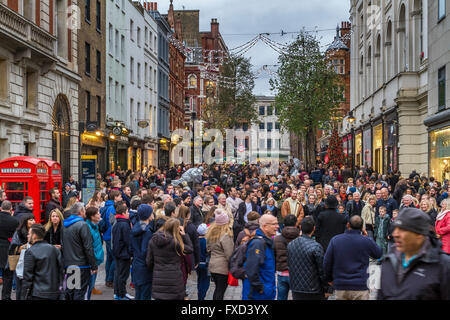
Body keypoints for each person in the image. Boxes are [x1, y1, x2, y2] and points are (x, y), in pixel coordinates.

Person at [377, 208, 450, 300]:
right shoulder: (388, 262)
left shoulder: (443, 265)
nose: (395, 234)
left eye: (402, 229)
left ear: (419, 234)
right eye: (395, 228)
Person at [323, 216, 382, 300]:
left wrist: (329, 279)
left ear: (348, 225)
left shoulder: (335, 240)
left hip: (341, 285)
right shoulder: (365, 241)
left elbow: (327, 262)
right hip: (360, 285)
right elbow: (378, 253)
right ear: (362, 228)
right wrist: (368, 238)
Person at [146, 218, 193, 300]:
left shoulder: (153, 240)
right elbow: (189, 249)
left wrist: (155, 270)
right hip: (174, 278)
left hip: (159, 277)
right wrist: (184, 235)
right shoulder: (174, 243)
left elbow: (149, 261)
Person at [62, 202, 97, 300]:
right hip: (81, 265)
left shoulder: (64, 225)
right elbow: (88, 247)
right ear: (81, 212)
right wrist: (93, 265)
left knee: (71, 291)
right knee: (80, 292)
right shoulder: (83, 225)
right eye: (84, 210)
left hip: (69, 264)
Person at [287, 216, 326, 300]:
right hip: (313, 288)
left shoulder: (291, 244)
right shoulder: (316, 246)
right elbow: (322, 270)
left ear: (300, 227)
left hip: (296, 287)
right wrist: (326, 287)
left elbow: (289, 265)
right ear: (314, 228)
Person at [21, 224, 64, 300]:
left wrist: (23, 296)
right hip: (54, 292)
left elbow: (28, 277)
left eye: (29, 234)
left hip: (38, 294)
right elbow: (61, 271)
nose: (27, 236)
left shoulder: (30, 252)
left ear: (34, 236)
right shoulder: (54, 249)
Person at [242, 214, 278, 301]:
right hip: (257, 295)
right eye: (274, 224)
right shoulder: (258, 243)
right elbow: (251, 269)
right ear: (265, 226)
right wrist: (260, 288)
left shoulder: (267, 241)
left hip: (266, 292)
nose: (277, 227)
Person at [205, 208, 234, 300]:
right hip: (222, 267)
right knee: (220, 291)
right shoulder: (225, 235)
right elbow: (229, 254)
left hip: (213, 265)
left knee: (217, 289)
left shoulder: (211, 233)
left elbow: (208, 249)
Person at [130, 204, 154, 300]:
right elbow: (146, 251)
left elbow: (131, 248)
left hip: (136, 264)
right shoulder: (147, 231)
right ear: (148, 215)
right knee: (145, 294)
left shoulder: (136, 226)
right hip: (144, 267)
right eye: (152, 213)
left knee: (139, 294)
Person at [273, 214, 300, 300]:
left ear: (284, 224)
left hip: (281, 272)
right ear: (296, 224)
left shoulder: (276, 239)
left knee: (281, 297)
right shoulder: (301, 239)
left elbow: (274, 256)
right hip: (297, 273)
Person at [9, 213, 35, 300]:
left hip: (32, 261)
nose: (33, 221)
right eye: (31, 220)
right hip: (20, 262)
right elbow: (13, 248)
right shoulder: (19, 232)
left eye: (34, 219)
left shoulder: (36, 231)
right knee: (20, 287)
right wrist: (24, 246)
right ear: (25, 222)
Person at [112, 202, 133, 300]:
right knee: (122, 276)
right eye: (127, 212)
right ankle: (121, 294)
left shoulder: (119, 223)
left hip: (118, 253)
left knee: (119, 274)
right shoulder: (124, 224)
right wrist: (131, 253)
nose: (129, 213)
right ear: (123, 213)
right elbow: (128, 241)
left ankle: (119, 293)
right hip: (123, 254)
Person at [102, 190, 122, 288]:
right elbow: (112, 223)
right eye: (120, 196)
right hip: (111, 236)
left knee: (110, 258)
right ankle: (110, 279)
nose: (121, 198)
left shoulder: (108, 206)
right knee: (114, 258)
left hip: (107, 235)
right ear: (115, 198)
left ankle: (108, 279)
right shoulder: (112, 208)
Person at [0, 201, 19, 300]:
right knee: (8, 275)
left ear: (0, 208)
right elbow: (16, 236)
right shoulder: (14, 221)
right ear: (11, 208)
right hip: (7, 248)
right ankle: (6, 297)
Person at [85, 207, 104, 299]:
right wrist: (93, 263)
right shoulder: (88, 228)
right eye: (98, 213)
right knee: (89, 286)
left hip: (96, 258)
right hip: (92, 261)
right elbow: (88, 247)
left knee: (91, 284)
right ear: (92, 217)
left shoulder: (95, 225)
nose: (100, 215)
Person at [196, 223, 210, 300]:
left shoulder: (196, 240)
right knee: (205, 282)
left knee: (199, 279)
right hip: (205, 264)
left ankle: (199, 293)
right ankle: (201, 296)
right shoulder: (206, 241)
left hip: (198, 264)